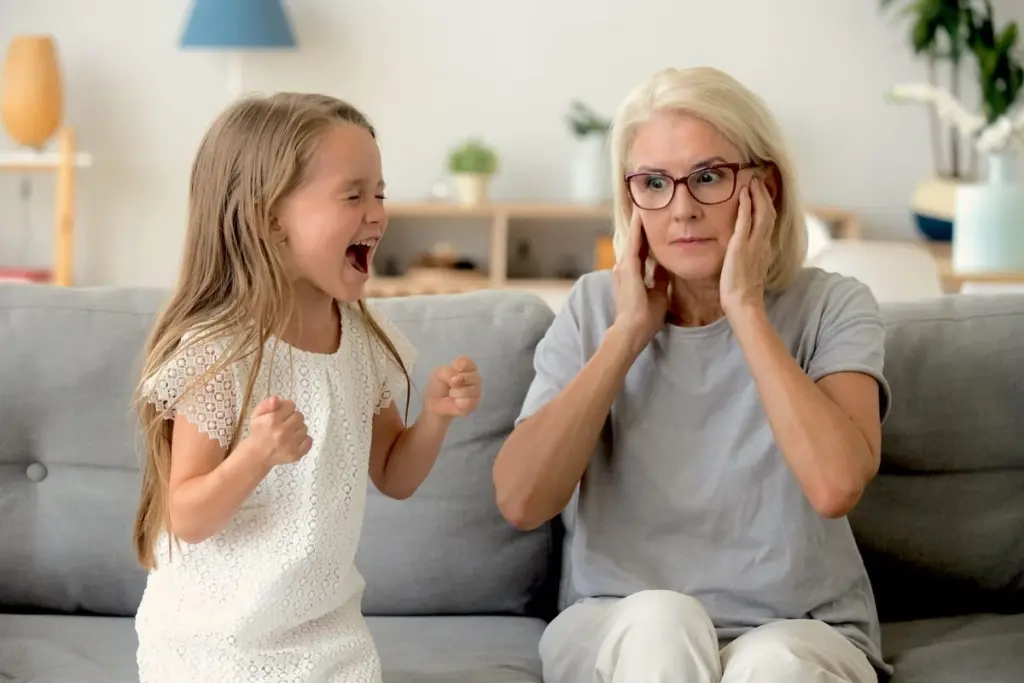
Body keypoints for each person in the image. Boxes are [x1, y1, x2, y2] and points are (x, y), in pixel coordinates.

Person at [493, 66, 891, 683]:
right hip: (617, 622)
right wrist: (626, 334)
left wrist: (747, 310)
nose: (681, 209)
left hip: (802, 627)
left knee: (774, 665)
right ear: (632, 200)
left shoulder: (834, 306)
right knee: (663, 621)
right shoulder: (595, 308)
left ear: (768, 188)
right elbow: (521, 501)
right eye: (653, 183)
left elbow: (836, 485)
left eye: (708, 178)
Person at [131, 93, 482, 682]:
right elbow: (185, 516)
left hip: (327, 636)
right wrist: (256, 455)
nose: (377, 213)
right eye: (353, 194)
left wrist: (437, 418)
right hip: (213, 642)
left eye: (380, 193)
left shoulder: (366, 340)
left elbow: (394, 474)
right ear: (270, 217)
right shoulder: (220, 353)